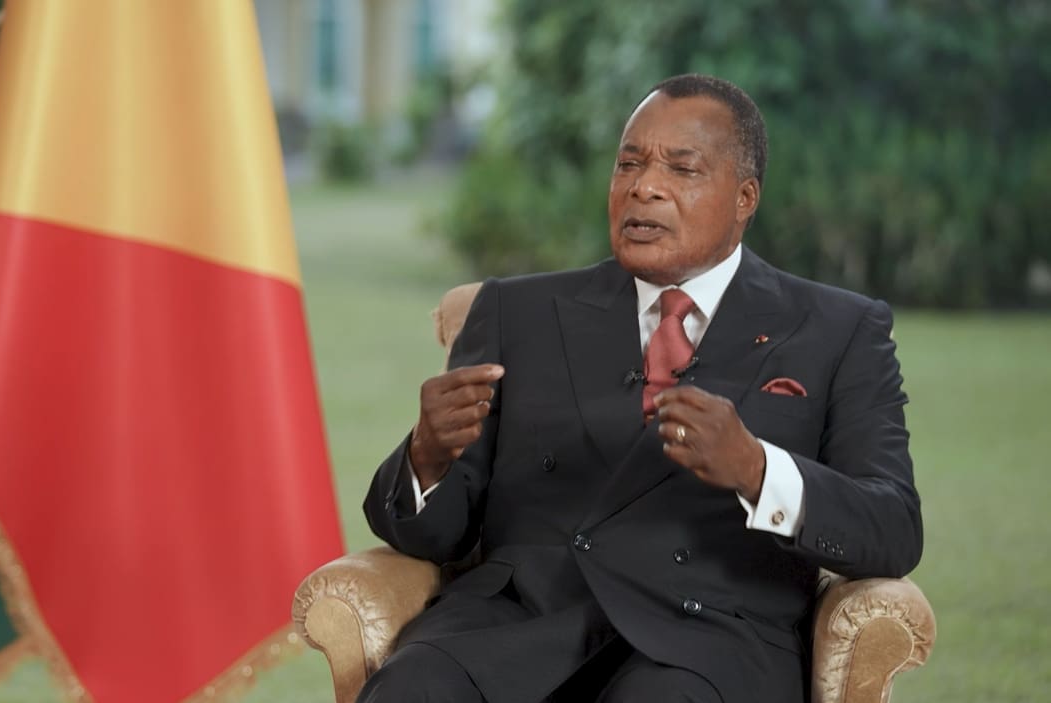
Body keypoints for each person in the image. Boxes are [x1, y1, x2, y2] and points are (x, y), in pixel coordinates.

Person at [359, 74, 923, 703]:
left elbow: (893, 528)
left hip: (709, 643)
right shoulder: (513, 313)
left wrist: (756, 469)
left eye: (681, 168)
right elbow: (431, 538)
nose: (643, 186)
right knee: (412, 686)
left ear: (745, 197)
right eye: (629, 163)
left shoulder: (838, 329)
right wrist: (426, 457)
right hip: (517, 625)